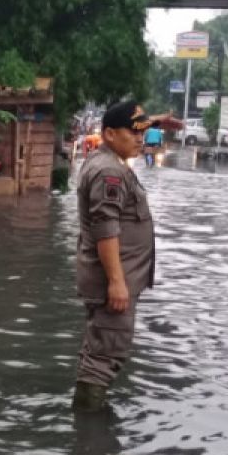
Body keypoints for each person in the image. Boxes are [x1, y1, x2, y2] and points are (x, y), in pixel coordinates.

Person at [73, 101, 155, 412]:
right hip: (112, 283)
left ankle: (89, 426)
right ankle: (90, 439)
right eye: (132, 133)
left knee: (98, 353)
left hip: (112, 280)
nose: (139, 139)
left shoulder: (108, 163)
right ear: (109, 133)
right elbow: (105, 229)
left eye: (142, 133)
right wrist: (117, 282)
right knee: (103, 357)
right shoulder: (109, 171)